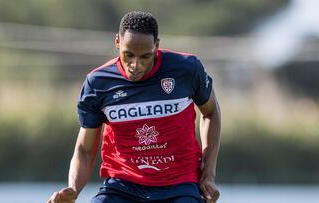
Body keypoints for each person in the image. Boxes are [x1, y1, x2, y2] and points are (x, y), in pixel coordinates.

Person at [48, 11, 221, 203]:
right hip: (122, 187)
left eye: (145, 57)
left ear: (156, 45)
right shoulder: (98, 83)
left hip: (179, 185)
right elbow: (85, 150)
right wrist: (73, 189)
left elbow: (211, 112)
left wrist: (208, 174)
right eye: (128, 55)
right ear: (117, 42)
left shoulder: (187, 69)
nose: (135, 65)